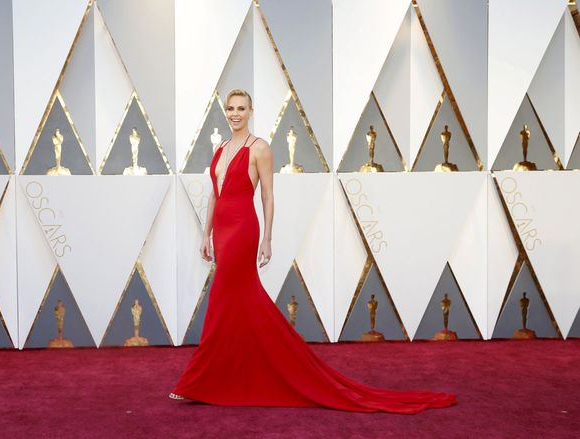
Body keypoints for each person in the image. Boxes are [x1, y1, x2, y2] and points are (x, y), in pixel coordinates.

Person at [169, 89, 455, 413]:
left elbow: (267, 196)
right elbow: (214, 195)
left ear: (251, 111)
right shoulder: (220, 148)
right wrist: (205, 233)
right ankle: (237, 374)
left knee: (222, 300)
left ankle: (197, 380)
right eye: (231, 108)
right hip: (221, 231)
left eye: (241, 108)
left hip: (242, 231)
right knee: (242, 303)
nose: (235, 113)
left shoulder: (259, 148)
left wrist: (267, 239)